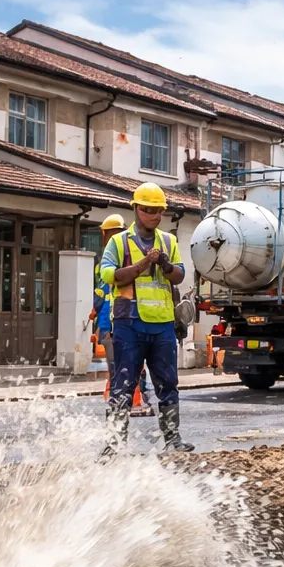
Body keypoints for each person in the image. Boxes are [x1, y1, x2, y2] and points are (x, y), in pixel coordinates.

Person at [100, 182, 192, 451]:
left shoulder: (168, 241)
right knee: (123, 385)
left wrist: (164, 263)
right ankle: (113, 445)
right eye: (148, 210)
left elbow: (179, 275)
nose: (154, 215)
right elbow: (109, 275)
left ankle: (173, 440)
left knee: (168, 383)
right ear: (136, 209)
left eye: (158, 210)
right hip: (129, 323)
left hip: (162, 324)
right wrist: (143, 263)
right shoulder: (119, 242)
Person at [91, 214, 153, 416]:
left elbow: (101, 293)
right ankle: (126, 401)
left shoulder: (116, 259)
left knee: (122, 365)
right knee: (126, 364)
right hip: (119, 320)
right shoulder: (115, 259)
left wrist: (95, 310)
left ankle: (127, 402)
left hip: (119, 320)